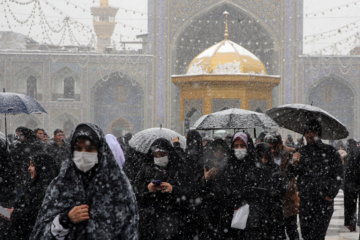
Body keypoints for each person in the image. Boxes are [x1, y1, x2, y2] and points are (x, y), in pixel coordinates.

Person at [30, 123, 139, 239]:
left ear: (100, 150)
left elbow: (129, 232)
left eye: (89, 148)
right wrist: (64, 220)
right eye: (78, 148)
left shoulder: (118, 187)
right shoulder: (60, 186)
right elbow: (39, 235)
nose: (83, 154)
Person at [286, 119, 343, 240]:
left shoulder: (330, 152)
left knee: (318, 235)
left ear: (319, 133)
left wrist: (330, 194)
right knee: (306, 235)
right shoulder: (301, 152)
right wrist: (293, 163)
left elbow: (338, 175)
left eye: (313, 132)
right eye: (307, 132)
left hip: (323, 202)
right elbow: (290, 174)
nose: (309, 135)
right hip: (306, 202)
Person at [216, 132, 271, 239]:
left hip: (252, 218)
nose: (239, 149)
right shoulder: (226, 164)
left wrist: (249, 193)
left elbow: (264, 189)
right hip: (230, 217)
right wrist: (232, 194)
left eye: (242, 145)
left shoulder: (256, 164)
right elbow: (219, 188)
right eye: (236, 146)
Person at [134, 138, 189, 240]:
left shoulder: (178, 168)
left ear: (169, 154)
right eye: (156, 156)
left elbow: (189, 192)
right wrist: (148, 189)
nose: (159, 158)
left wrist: (173, 189)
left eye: (162, 155)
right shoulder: (146, 168)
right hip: (150, 219)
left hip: (174, 218)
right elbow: (136, 192)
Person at [1, 153, 56, 240]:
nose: (29, 168)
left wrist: (14, 213)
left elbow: (34, 213)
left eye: (32, 165)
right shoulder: (33, 185)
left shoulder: (45, 190)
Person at [264, 132, 299, 240]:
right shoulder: (265, 156)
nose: (273, 150)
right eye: (270, 147)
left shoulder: (291, 153)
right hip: (273, 200)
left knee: (292, 229)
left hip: (289, 198)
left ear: (281, 143)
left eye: (275, 147)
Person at [255, 143, 287, 239]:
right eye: (261, 156)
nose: (264, 160)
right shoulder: (252, 169)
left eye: (266, 157)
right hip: (257, 214)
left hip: (273, 212)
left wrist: (272, 192)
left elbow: (282, 189)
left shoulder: (275, 169)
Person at [343, 139, 360, 238]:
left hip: (351, 183)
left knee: (351, 205)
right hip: (353, 181)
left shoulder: (350, 154)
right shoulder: (355, 152)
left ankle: (351, 224)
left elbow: (347, 170)